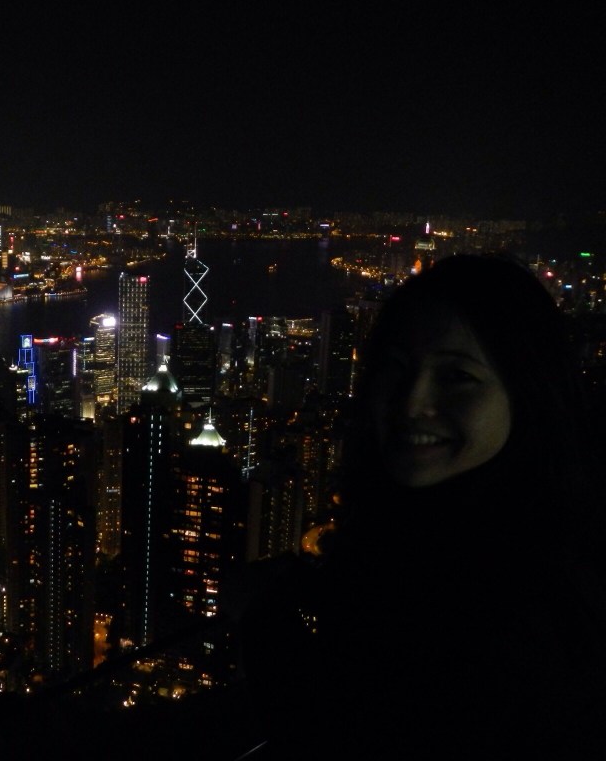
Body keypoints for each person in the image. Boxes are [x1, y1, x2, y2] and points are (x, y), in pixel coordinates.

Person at [226, 251, 606, 758]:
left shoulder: (517, 602)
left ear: (527, 391)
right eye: (395, 368)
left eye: (457, 377)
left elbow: (337, 731)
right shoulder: (441, 537)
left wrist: (263, 617)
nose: (411, 403)